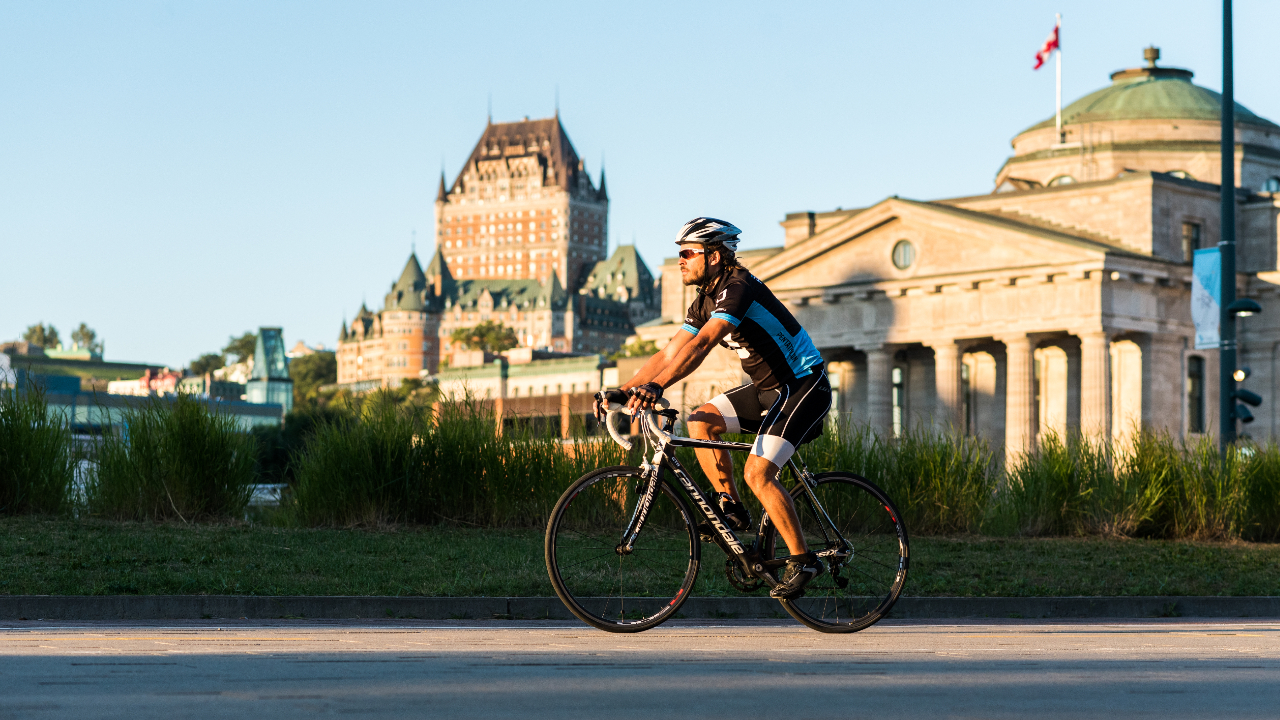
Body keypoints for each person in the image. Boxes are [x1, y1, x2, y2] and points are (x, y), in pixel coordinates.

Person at [596, 217, 831, 599]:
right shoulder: (705, 299)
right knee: (701, 421)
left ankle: (803, 559)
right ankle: (734, 508)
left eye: (688, 253)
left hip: (805, 387)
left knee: (759, 473)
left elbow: (703, 344)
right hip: (768, 390)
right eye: (679, 254)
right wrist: (624, 390)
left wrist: (656, 387)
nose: (681, 261)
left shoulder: (738, 288)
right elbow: (670, 350)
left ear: (716, 255)